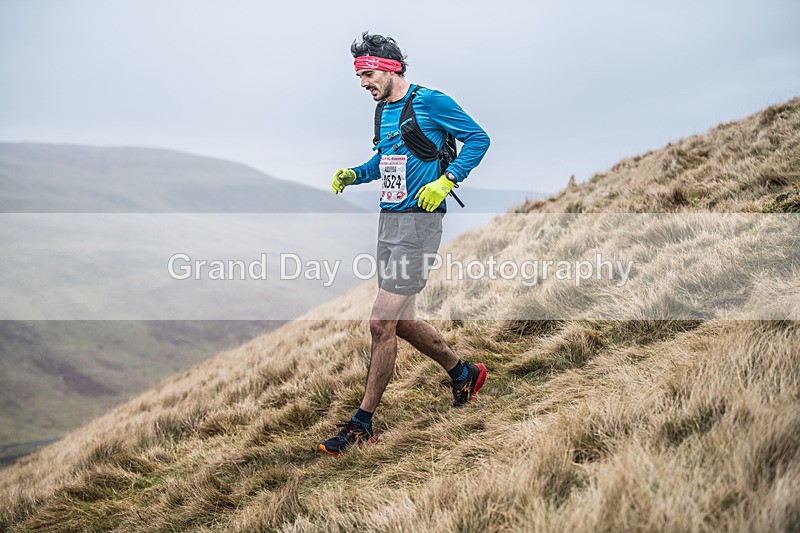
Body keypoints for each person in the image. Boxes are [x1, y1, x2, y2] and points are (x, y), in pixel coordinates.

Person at [319, 32, 491, 456]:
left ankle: (361, 425)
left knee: (380, 324)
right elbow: (385, 161)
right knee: (401, 321)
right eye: (360, 75)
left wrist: (446, 180)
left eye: (368, 73)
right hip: (388, 223)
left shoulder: (431, 101)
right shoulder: (382, 112)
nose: (363, 83)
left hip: (420, 225)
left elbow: (479, 139)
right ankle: (463, 374)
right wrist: (355, 174)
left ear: (391, 68)